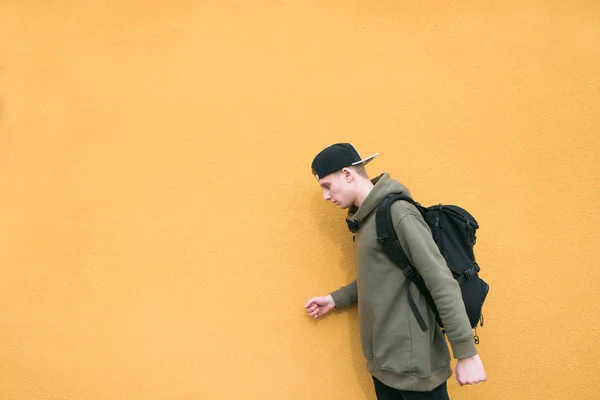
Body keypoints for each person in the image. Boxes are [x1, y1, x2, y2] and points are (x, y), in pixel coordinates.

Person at [304, 143, 487, 400]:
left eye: (326, 186)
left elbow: (441, 281)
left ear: (347, 174)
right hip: (384, 364)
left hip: (415, 368)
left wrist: (466, 353)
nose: (325, 196)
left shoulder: (398, 213)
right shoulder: (364, 220)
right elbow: (380, 276)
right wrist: (337, 299)